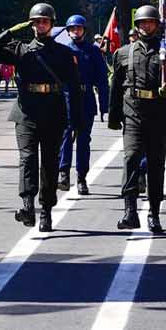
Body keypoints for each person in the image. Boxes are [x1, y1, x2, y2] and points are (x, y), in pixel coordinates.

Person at [0, 2, 84, 233]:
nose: (40, 25)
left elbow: (74, 87)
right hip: (26, 112)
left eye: (44, 21)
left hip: (53, 111)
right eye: (36, 21)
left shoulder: (64, 53)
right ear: (31, 25)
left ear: (51, 24)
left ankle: (47, 210)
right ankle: (27, 205)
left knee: (49, 162)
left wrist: (76, 121)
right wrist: (11, 30)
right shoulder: (20, 49)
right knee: (28, 159)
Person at [107, 5, 166, 233]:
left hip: (158, 114)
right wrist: (113, 116)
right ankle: (129, 211)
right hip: (133, 113)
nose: (146, 26)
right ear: (137, 26)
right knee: (130, 159)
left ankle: (154, 213)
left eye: (150, 22)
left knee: (156, 164)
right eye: (142, 23)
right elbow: (116, 88)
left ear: (157, 25)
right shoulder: (123, 53)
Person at [57, 14, 110, 196]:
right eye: (72, 28)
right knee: (65, 136)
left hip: (86, 98)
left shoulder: (93, 51)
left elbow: (102, 80)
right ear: (68, 31)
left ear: (84, 31)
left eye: (78, 28)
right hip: (66, 98)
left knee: (84, 141)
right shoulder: (62, 50)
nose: (75, 31)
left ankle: (81, 177)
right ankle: (63, 172)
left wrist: (104, 106)